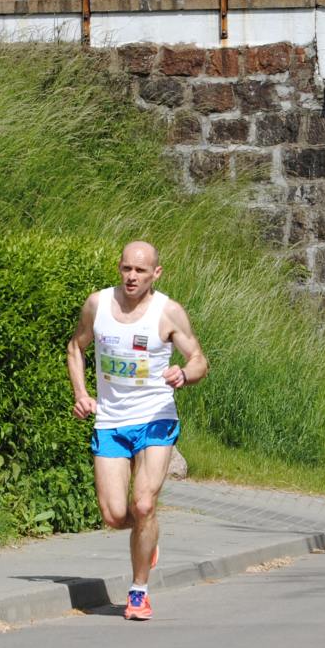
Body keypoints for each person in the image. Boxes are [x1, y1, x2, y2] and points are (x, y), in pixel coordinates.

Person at [67, 241, 208, 621]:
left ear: (155, 274)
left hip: (155, 418)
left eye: (140, 271)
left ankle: (138, 592)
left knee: (144, 503)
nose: (132, 277)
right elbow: (76, 347)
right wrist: (81, 394)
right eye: (126, 268)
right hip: (111, 420)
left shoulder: (168, 312)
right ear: (119, 267)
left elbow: (198, 360)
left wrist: (184, 374)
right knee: (115, 515)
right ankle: (147, 536)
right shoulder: (97, 305)